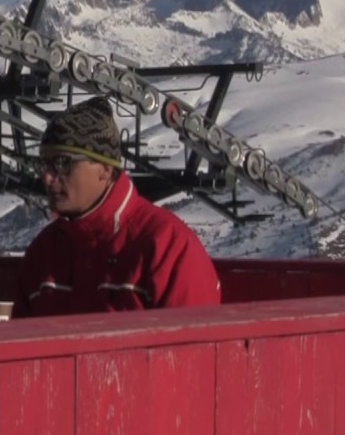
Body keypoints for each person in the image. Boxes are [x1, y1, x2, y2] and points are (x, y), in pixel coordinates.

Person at [15, 96, 221, 316]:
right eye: (43, 165)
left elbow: (195, 345)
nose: (47, 178)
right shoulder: (44, 254)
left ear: (105, 168)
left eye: (62, 164)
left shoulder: (167, 247)